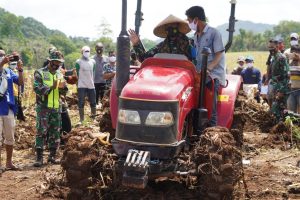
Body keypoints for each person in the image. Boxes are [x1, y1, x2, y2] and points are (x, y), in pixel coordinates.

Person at [185, 6, 226, 126]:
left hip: (212, 76)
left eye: (189, 20)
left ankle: (211, 138)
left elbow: (219, 54)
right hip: (201, 76)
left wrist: (209, 68)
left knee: (210, 110)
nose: (189, 23)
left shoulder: (214, 33)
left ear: (196, 20)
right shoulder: (195, 36)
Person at [33, 50, 65, 167]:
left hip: (56, 107)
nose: (57, 66)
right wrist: (51, 87)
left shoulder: (59, 74)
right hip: (43, 108)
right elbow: (37, 88)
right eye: (55, 64)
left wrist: (63, 87)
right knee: (41, 132)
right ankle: (39, 157)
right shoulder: (40, 73)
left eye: (59, 64)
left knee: (55, 132)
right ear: (50, 61)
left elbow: (63, 91)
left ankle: (52, 156)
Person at [0, 51, 24, 173]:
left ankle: (9, 162)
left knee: (10, 137)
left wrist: (20, 70)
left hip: (8, 107)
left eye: (3, 55)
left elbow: (20, 82)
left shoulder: (9, 71)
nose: (2, 57)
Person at [268, 39, 290, 121]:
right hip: (275, 87)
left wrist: (281, 91)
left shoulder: (281, 57)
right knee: (275, 110)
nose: (270, 49)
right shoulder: (274, 57)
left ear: (277, 46)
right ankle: (277, 128)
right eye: (269, 47)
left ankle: (281, 129)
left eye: (272, 47)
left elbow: (286, 75)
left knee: (279, 109)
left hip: (281, 88)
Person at [76, 46, 97, 123]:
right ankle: (81, 119)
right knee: (81, 102)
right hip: (81, 85)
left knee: (93, 101)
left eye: (88, 51)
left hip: (91, 84)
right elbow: (77, 73)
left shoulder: (93, 62)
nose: (87, 52)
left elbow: (93, 72)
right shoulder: (78, 62)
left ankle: (93, 118)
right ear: (82, 52)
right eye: (85, 51)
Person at [287, 44, 300, 113]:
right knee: (291, 113)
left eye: (295, 53)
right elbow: (288, 77)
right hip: (291, 91)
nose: (293, 54)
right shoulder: (290, 64)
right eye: (292, 52)